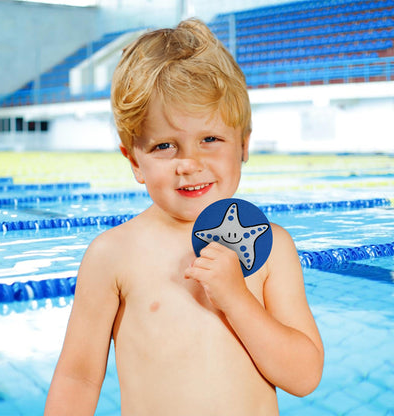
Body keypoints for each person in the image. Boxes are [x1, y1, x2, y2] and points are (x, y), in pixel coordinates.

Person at [44, 18, 324, 416]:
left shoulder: (271, 247)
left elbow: (304, 376)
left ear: (243, 144)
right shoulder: (112, 255)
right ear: (134, 161)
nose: (189, 163)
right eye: (164, 146)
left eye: (210, 139)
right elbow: (78, 377)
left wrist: (236, 300)